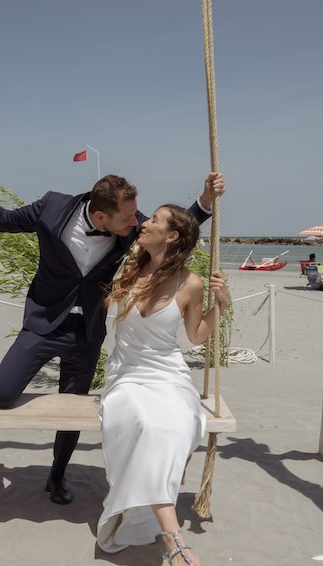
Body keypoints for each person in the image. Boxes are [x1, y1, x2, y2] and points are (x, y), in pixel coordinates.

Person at [0, 163, 225, 505]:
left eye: (138, 217)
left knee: (72, 410)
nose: (137, 223)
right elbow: (2, 221)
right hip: (45, 321)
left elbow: (176, 228)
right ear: (102, 217)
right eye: (128, 219)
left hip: (88, 331)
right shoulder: (51, 208)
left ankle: (57, 475)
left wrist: (206, 200)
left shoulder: (130, 222)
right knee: (0, 397)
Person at [96, 204, 230, 565]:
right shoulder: (130, 266)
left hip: (169, 374)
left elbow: (196, 336)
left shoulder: (191, 283)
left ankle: (169, 535)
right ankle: (173, 539)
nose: (145, 222)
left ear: (171, 236)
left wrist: (220, 305)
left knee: (175, 423)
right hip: (126, 375)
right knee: (145, 422)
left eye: (154, 219)